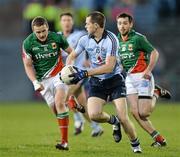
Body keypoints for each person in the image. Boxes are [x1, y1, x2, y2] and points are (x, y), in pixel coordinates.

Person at [66, 11, 142, 153]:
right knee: (94, 115)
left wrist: (85, 73)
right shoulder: (84, 39)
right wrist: (68, 69)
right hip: (97, 82)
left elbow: (109, 67)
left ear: (96, 25)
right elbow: (72, 56)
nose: (85, 26)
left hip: (114, 81)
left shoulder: (111, 39)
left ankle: (135, 145)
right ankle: (114, 121)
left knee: (124, 117)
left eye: (87, 23)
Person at [116, 12, 171, 147]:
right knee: (135, 112)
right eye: (119, 23)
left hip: (142, 76)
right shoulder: (117, 40)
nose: (122, 26)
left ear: (131, 24)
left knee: (144, 112)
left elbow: (154, 52)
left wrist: (148, 71)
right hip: (129, 78)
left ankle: (156, 93)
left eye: (125, 23)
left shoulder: (138, 38)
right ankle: (159, 139)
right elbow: (122, 60)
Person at [22, 16, 75, 150]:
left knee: (59, 103)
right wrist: (34, 82)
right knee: (56, 111)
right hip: (43, 81)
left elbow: (72, 52)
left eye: (43, 31)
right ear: (33, 31)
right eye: (38, 32)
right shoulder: (28, 43)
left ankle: (64, 142)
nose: (41, 34)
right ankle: (70, 103)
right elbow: (28, 65)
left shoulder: (57, 38)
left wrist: (69, 66)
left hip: (59, 75)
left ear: (48, 28)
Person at [59, 12, 103, 137]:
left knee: (65, 97)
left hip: (80, 72)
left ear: (72, 22)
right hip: (67, 74)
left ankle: (78, 120)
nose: (66, 22)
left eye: (69, 20)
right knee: (81, 103)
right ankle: (96, 127)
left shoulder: (80, 35)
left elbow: (92, 44)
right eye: (64, 20)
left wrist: (89, 58)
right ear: (60, 23)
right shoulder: (58, 37)